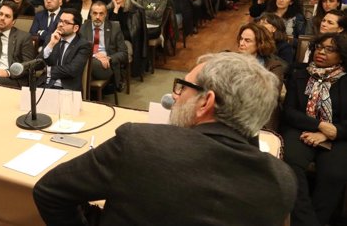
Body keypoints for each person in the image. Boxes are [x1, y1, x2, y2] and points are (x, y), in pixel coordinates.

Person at [33, 52, 297, 226]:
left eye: (183, 88)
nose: (175, 97)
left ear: (206, 102)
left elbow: (51, 192)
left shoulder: (139, 143)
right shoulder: (282, 181)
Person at [282, 33, 347, 226]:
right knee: (290, 164)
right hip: (302, 128)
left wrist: (335, 131)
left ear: (342, 55)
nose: (322, 52)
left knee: (335, 174)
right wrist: (318, 126)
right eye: (319, 47)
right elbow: (289, 111)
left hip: (338, 135)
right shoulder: (299, 74)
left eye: (330, 49)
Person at [236, 22, 286, 130]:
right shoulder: (232, 60)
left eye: (247, 40)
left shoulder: (274, 66)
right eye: (241, 39)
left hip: (260, 113)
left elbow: (270, 96)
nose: (241, 43)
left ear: (260, 43)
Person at [79, 1, 128, 89]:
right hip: (89, 61)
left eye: (101, 14)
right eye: (95, 13)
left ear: (105, 15)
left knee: (83, 66)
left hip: (106, 65)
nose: (98, 17)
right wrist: (94, 55)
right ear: (90, 14)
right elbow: (79, 49)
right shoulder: (84, 27)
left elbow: (124, 53)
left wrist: (108, 58)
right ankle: (86, 97)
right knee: (86, 66)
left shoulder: (115, 28)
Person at [41, 7, 91, 91]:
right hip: (45, 85)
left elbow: (72, 70)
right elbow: (38, 63)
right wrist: (51, 44)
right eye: (60, 21)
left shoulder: (83, 45)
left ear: (75, 28)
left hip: (67, 89)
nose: (60, 24)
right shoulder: (51, 38)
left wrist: (48, 70)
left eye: (66, 22)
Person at [108, 0, 147, 78]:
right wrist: (116, 10)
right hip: (111, 40)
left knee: (115, 51)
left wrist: (118, 37)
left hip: (128, 41)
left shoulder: (136, 10)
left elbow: (133, 35)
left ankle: (117, 77)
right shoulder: (109, 10)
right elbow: (109, 31)